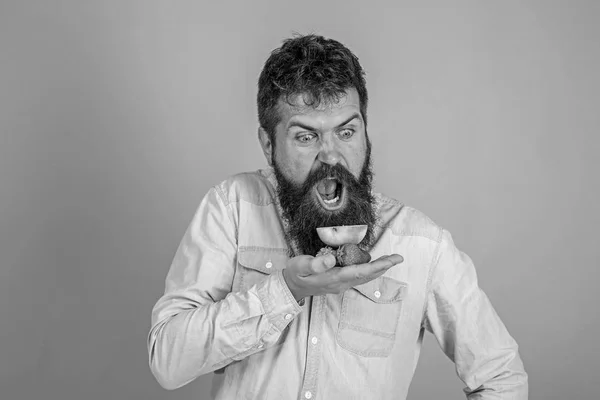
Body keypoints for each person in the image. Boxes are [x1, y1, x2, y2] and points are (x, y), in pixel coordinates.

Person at [147, 34, 528, 399]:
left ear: (365, 132)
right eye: (306, 137)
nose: (330, 156)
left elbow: (501, 376)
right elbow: (168, 361)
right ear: (268, 144)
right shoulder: (232, 208)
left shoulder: (422, 244)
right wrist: (286, 291)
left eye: (346, 131)